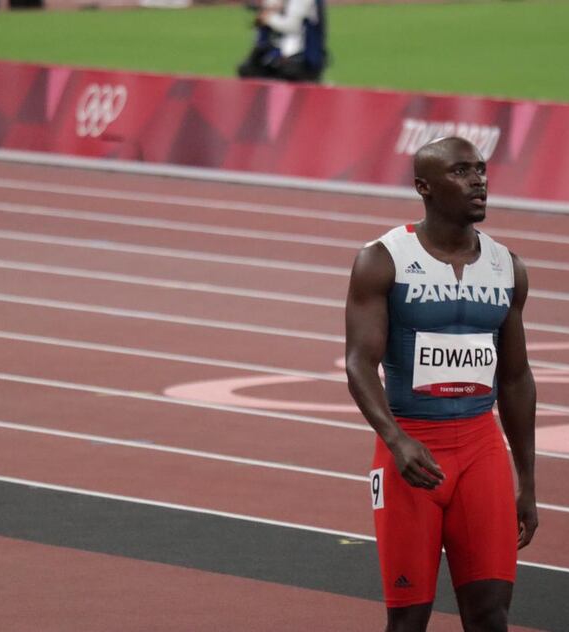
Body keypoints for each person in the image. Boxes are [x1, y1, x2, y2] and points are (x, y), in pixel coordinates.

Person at [344, 137, 538, 632]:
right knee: (408, 622)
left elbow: (515, 379)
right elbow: (359, 364)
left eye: (480, 169)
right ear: (424, 187)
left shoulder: (506, 267)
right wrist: (396, 440)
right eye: (460, 171)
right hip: (412, 453)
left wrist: (527, 482)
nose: (478, 181)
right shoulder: (383, 259)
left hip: (481, 450)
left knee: (490, 616)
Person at [237, 0, 328, 83]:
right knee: (248, 69)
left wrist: (268, 18)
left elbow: (292, 25)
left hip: (301, 57)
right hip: (279, 53)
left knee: (286, 73)